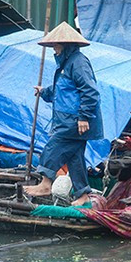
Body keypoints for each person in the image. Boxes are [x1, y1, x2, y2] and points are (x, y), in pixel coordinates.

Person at [23, 22, 103, 206]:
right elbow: (62, 90)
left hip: (75, 120)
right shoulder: (66, 65)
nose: (54, 49)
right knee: (75, 158)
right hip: (69, 119)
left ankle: (46, 184)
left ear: (66, 45)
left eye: (56, 45)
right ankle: (83, 194)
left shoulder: (78, 63)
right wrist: (44, 92)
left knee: (53, 146)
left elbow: (90, 92)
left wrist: (84, 117)